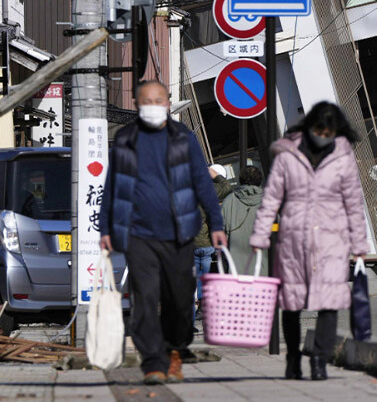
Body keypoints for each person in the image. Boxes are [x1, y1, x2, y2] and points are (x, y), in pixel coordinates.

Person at [100, 80, 226, 386]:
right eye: (147, 101)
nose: (153, 106)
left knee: (179, 298)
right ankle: (153, 361)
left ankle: (174, 352)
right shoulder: (126, 139)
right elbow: (112, 186)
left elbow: (201, 182)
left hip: (179, 233)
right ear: (136, 104)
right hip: (138, 233)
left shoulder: (184, 138)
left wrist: (216, 223)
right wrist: (106, 227)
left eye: (159, 100)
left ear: (168, 104)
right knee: (144, 298)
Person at [251, 102, 368, 381]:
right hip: (294, 239)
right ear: (309, 127)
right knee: (291, 304)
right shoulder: (287, 155)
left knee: (329, 303)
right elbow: (271, 198)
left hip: (331, 240)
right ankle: (293, 358)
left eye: (328, 131)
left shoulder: (343, 156)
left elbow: (353, 202)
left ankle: (319, 359)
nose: (323, 135)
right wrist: (260, 234)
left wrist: (360, 245)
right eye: (319, 130)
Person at [192, 165, 233, 320]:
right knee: (208, 276)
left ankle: (194, 313)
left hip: (192, 242)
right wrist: (215, 175)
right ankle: (207, 306)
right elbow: (227, 187)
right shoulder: (209, 191)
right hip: (207, 243)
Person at [220, 166, 264, 270]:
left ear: (240, 180)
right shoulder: (269, 202)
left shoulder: (228, 201)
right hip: (265, 270)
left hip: (236, 271)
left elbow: (221, 232)